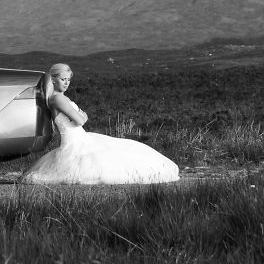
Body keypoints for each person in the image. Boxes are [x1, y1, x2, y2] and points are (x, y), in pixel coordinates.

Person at [21, 63, 179, 184]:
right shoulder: (58, 99)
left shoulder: (59, 98)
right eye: (63, 79)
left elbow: (78, 119)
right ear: (53, 80)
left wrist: (81, 116)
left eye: (69, 79)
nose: (67, 83)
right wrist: (83, 115)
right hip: (74, 141)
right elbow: (79, 120)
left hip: (80, 137)